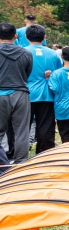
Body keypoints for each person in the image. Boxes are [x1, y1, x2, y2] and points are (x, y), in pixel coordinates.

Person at [24, 24, 61, 154]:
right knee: (46, 126)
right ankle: (45, 153)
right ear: (44, 37)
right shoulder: (53, 54)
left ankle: (21, 154)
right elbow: (58, 75)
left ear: (26, 36)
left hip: (26, 94)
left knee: (23, 127)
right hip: (47, 94)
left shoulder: (22, 52)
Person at [0, 22, 33, 163]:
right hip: (20, 93)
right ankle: (21, 163)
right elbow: (27, 73)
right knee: (21, 131)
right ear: (16, 35)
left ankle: (3, 163)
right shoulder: (26, 53)